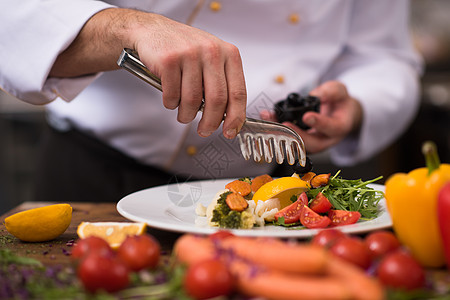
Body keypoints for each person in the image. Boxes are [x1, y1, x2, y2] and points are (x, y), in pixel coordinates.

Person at [0, 1, 422, 203]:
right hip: (92, 175)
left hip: (260, 189)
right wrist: (120, 27)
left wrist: (361, 101)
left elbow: (383, 56)